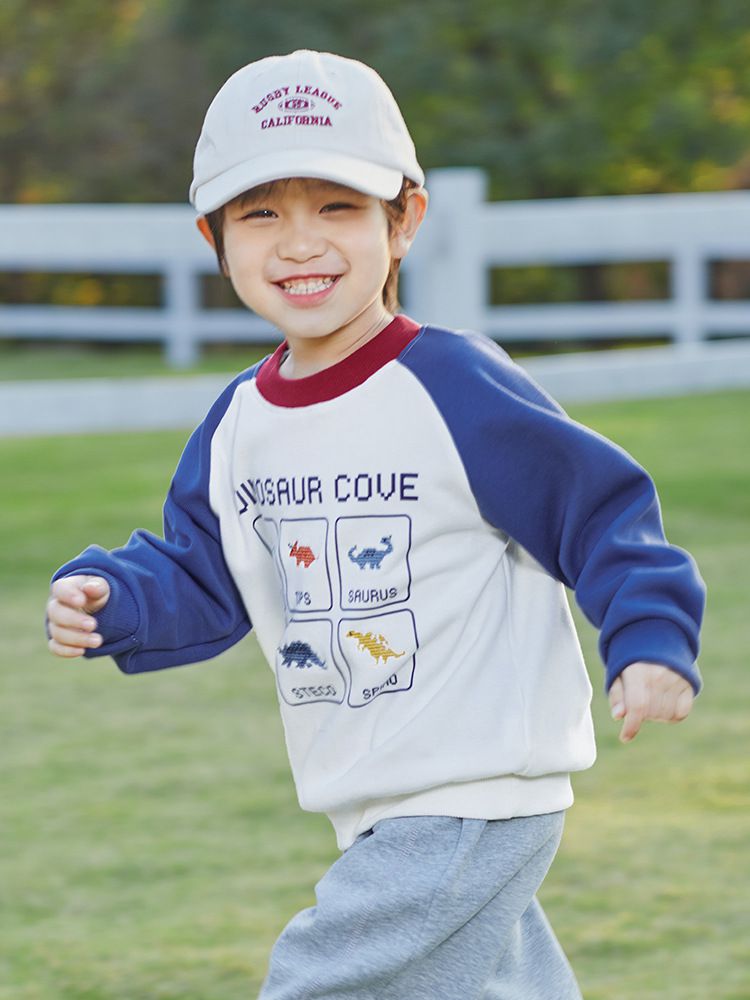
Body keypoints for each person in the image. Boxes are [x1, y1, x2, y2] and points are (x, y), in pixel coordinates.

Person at [46, 49, 705, 999]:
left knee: (320, 983)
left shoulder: (453, 387)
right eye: (261, 213)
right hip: (376, 798)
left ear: (404, 221)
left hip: (466, 790)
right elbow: (203, 568)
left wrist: (649, 635)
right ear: (213, 239)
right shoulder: (241, 422)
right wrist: (115, 599)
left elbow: (599, 512)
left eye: (337, 207)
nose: (299, 243)